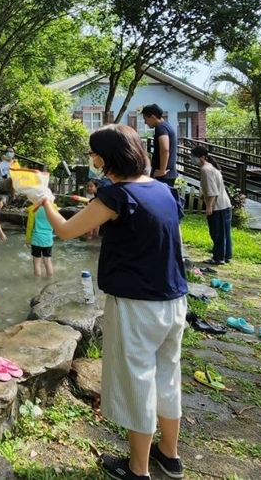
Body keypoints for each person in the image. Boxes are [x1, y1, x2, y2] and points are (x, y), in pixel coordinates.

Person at [36, 124, 187, 480]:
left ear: (105, 158)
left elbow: (66, 231)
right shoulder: (165, 191)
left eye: (93, 154)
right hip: (174, 299)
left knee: (138, 381)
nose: (92, 161)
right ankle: (169, 455)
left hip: (137, 305)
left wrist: (44, 200)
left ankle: (138, 470)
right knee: (167, 376)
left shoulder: (117, 197)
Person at [191, 146, 233, 265]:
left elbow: (213, 191)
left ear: (202, 158)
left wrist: (209, 206)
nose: (192, 159)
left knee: (217, 232)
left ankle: (218, 257)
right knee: (225, 232)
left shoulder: (205, 169)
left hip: (218, 206)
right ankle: (225, 255)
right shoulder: (211, 167)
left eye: (193, 156)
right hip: (225, 204)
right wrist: (204, 196)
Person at [142, 104, 177, 187]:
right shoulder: (167, 125)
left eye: (145, 119)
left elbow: (165, 149)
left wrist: (162, 170)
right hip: (169, 174)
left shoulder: (160, 127)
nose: (145, 122)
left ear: (153, 117)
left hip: (163, 175)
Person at [26, 197, 55, 277]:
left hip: (36, 239)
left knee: (36, 262)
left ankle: (37, 282)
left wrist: (27, 239)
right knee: (48, 261)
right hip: (48, 239)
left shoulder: (33, 209)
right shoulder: (53, 208)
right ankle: (50, 280)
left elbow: (30, 226)